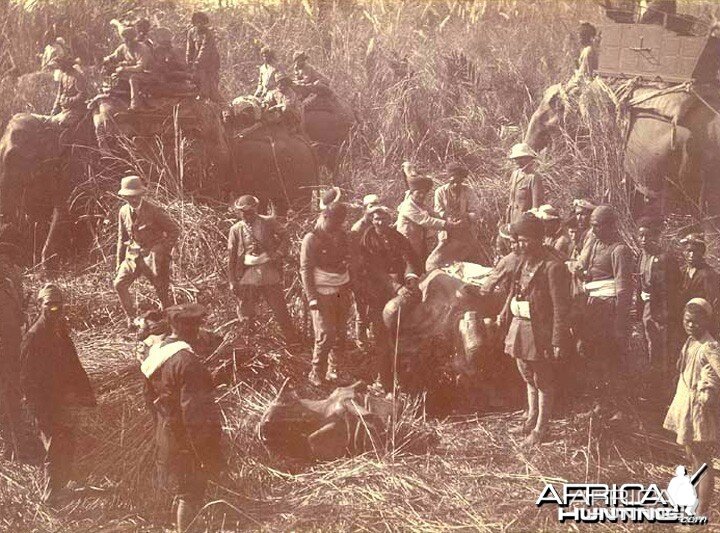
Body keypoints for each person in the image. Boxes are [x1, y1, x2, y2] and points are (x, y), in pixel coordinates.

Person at [141, 303, 222, 533]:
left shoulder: (155, 354)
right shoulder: (187, 362)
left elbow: (148, 398)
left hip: (166, 433)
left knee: (181, 490)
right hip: (186, 441)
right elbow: (195, 413)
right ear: (192, 329)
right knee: (190, 494)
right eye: (196, 326)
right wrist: (205, 450)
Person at [499, 213, 571, 446]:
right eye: (518, 239)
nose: (520, 244)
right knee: (526, 374)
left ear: (539, 239)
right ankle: (531, 417)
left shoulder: (553, 267)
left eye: (525, 240)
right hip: (520, 324)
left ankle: (542, 428)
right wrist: (504, 314)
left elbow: (561, 308)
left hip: (540, 330)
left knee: (543, 379)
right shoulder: (522, 261)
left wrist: (558, 340)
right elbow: (514, 290)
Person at [21, 285, 96, 503]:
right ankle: (51, 494)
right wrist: (39, 409)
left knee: (66, 441)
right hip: (44, 403)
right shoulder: (34, 336)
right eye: (49, 305)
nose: (54, 309)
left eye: (58, 304)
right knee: (55, 445)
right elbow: (26, 380)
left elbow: (72, 362)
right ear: (39, 306)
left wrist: (84, 394)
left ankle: (61, 487)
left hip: (62, 400)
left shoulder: (59, 329)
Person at [574, 205, 633, 413]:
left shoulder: (619, 250)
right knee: (592, 355)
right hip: (592, 309)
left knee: (609, 358)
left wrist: (619, 325)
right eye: (593, 226)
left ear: (611, 226)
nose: (595, 230)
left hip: (609, 310)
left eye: (598, 226)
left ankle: (615, 407)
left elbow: (624, 290)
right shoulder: (595, 244)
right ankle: (599, 403)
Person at [663, 298, 718, 517]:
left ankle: (702, 510)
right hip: (685, 403)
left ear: (706, 321)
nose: (691, 325)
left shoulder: (709, 346)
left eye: (696, 322)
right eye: (687, 321)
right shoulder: (690, 342)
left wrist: (708, 387)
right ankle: (694, 504)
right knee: (691, 455)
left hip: (698, 408)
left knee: (702, 458)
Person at [358, 205, 419, 394]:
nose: (380, 222)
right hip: (377, 292)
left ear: (389, 219)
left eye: (383, 219)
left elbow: (409, 256)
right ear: (371, 220)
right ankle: (384, 383)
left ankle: (404, 381)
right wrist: (396, 287)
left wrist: (410, 276)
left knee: (402, 335)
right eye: (376, 219)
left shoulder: (396, 236)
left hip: (398, 288)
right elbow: (375, 270)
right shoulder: (367, 240)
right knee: (382, 340)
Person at [227, 195, 298, 344]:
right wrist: (232, 280)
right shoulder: (236, 230)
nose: (246, 216)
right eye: (243, 212)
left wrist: (278, 253)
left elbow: (285, 236)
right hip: (247, 274)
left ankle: (293, 341)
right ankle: (249, 344)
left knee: (280, 310)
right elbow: (232, 257)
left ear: (256, 210)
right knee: (246, 313)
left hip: (269, 271)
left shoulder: (268, 222)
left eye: (249, 212)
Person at [114, 176, 180, 327]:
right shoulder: (123, 211)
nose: (134, 200)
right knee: (119, 284)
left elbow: (174, 230)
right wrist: (119, 262)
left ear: (142, 194)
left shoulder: (154, 210)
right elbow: (121, 238)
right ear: (124, 196)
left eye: (136, 196)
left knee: (161, 288)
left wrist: (162, 249)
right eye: (129, 197)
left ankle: (169, 321)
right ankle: (131, 318)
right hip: (133, 256)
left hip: (154, 257)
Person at [300, 202, 353, 386]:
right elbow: (305, 269)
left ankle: (334, 369)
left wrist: (344, 264)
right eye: (333, 222)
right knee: (325, 334)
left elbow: (348, 255)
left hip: (341, 288)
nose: (336, 227)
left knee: (340, 333)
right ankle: (316, 371)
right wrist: (311, 298)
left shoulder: (342, 235)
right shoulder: (312, 238)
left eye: (340, 223)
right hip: (322, 291)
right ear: (325, 217)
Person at [636, 217, 680, 376]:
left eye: (647, 236)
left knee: (662, 347)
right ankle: (652, 379)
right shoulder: (641, 256)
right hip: (647, 308)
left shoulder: (665, 258)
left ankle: (663, 383)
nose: (643, 240)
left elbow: (673, 288)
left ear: (655, 237)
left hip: (661, 311)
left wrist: (653, 297)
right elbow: (640, 282)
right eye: (640, 236)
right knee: (649, 344)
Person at [396, 172, 457, 272]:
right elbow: (426, 221)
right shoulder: (408, 206)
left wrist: (447, 219)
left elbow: (433, 214)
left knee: (421, 263)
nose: (421, 195)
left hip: (419, 240)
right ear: (411, 192)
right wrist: (447, 225)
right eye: (418, 192)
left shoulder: (421, 205)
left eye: (424, 193)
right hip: (406, 242)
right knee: (409, 266)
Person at [427, 163, 481, 269]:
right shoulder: (440, 192)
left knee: (466, 258)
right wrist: (449, 219)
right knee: (442, 258)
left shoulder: (468, 192)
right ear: (448, 179)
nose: (456, 185)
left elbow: (476, 212)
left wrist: (465, 216)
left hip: (465, 230)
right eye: (453, 182)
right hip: (447, 230)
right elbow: (438, 211)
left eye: (459, 182)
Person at [0, 225, 23, 460]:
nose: (5, 264)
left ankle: (15, 444)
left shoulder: (11, 285)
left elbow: (19, 316)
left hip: (12, 350)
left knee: (12, 396)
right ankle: (9, 444)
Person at [350, 193, 381, 348]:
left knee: (374, 307)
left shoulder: (377, 225)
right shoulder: (358, 229)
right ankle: (361, 341)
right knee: (361, 309)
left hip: (374, 273)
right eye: (370, 208)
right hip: (361, 274)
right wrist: (356, 279)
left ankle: (373, 337)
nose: (373, 212)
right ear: (364, 210)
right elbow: (354, 257)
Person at [103, 25, 154, 110]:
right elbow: (113, 57)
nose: (128, 42)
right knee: (115, 77)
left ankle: (135, 105)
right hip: (133, 72)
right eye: (126, 39)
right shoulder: (124, 47)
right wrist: (104, 60)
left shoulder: (142, 48)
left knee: (133, 78)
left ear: (134, 38)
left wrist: (123, 69)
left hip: (148, 74)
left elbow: (140, 68)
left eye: (130, 39)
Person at [678, 234, 719, 315]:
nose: (691, 255)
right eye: (689, 251)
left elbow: (713, 302)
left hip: (700, 317)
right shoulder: (683, 271)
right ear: (684, 252)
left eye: (695, 251)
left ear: (701, 252)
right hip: (684, 315)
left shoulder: (708, 274)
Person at [186, 11, 221, 102]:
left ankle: (220, 106)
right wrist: (188, 62)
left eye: (201, 22)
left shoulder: (208, 34)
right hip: (198, 63)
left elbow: (204, 50)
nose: (199, 24)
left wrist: (196, 63)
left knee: (211, 87)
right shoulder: (191, 32)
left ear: (205, 22)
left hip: (210, 63)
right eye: (197, 22)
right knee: (195, 82)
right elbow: (189, 49)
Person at [506, 143, 544, 224]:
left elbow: (536, 207)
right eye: (516, 158)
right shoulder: (515, 174)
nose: (517, 161)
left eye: (520, 158)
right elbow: (511, 200)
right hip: (512, 219)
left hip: (525, 223)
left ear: (528, 158)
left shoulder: (534, 177)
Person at [48, 55, 87, 128]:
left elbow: (83, 95)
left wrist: (68, 101)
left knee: (62, 123)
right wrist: (55, 109)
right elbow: (59, 94)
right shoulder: (63, 76)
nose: (59, 68)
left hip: (76, 110)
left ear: (65, 65)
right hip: (65, 110)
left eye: (60, 66)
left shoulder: (77, 76)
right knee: (50, 122)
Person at [568, 22, 598, 87]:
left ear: (586, 37)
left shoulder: (588, 51)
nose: (579, 40)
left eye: (580, 37)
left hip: (584, 84)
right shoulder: (587, 49)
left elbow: (586, 73)